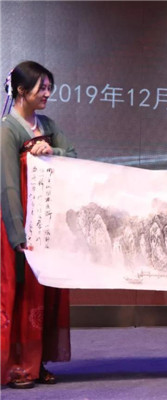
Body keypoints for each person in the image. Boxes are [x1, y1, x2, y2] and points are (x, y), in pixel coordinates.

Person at [1, 61, 77, 389]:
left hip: (46, 221)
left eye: (49, 88)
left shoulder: (47, 124)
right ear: (21, 90)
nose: (47, 94)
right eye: (40, 88)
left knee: (44, 291)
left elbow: (72, 155)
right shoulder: (8, 129)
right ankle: (17, 365)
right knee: (19, 292)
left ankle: (38, 361)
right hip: (18, 224)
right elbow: (7, 184)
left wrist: (52, 150)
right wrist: (16, 232)